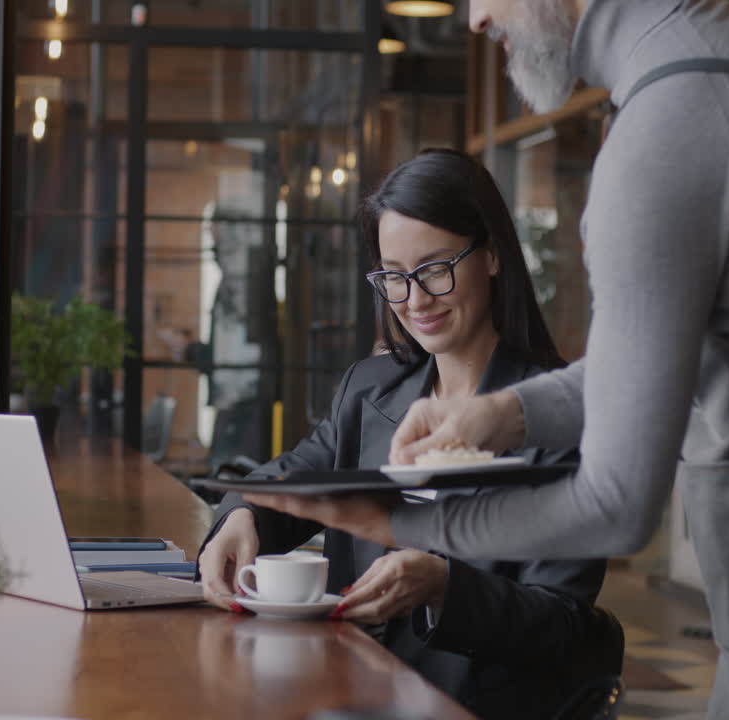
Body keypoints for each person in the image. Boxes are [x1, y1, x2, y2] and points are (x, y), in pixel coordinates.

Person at [246, 2, 729, 719]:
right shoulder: (718, 45)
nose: (473, 17)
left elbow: (617, 505)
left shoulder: (664, 124)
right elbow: (652, 366)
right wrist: (504, 413)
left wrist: (403, 523)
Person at [198, 149, 623, 719]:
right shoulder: (371, 390)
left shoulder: (556, 415)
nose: (415, 300)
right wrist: (243, 514)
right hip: (349, 693)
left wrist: (445, 586)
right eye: (394, 278)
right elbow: (299, 474)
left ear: (493, 254)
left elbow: (565, 624)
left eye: (436, 269)